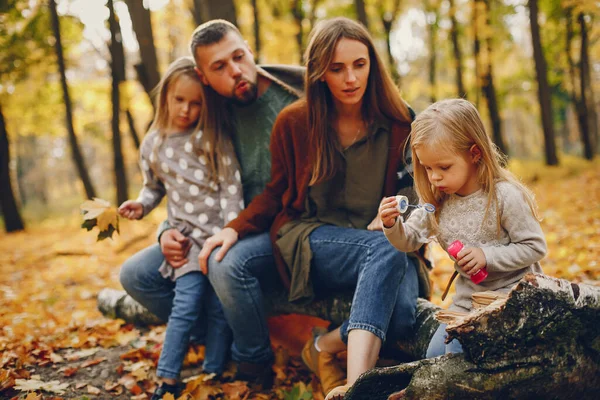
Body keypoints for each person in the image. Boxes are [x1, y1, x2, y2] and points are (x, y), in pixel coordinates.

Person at [198, 17, 424, 399]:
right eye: (337, 69)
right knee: (385, 247)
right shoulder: (295, 122)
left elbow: (418, 189)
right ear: (320, 73)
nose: (350, 78)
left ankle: (323, 346)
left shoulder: (401, 121)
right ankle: (358, 388)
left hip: (382, 242)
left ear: (373, 64)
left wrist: (397, 209)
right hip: (314, 237)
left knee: (401, 316)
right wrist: (234, 228)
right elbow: (277, 190)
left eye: (359, 64)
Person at [118, 19, 304, 388]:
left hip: (273, 227)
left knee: (223, 262)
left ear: (250, 50)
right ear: (204, 77)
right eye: (218, 67)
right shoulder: (210, 109)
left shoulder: (290, 96)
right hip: (213, 228)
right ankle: (216, 336)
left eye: (238, 57)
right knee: (135, 274)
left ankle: (251, 361)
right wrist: (166, 231)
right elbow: (183, 183)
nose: (234, 71)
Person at [379, 98, 547, 357]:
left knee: (488, 357)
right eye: (427, 167)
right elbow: (409, 240)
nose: (434, 177)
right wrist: (392, 224)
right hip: (467, 303)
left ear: (474, 153)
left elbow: (535, 247)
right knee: (436, 357)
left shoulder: (504, 196)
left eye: (444, 167)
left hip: (514, 298)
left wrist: (486, 256)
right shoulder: (437, 202)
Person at [117, 57, 242, 399]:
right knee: (185, 305)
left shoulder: (212, 138)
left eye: (196, 102)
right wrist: (141, 205)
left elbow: (231, 190)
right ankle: (168, 377)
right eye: (179, 100)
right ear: (165, 98)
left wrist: (231, 232)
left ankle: (214, 370)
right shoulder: (153, 144)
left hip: (218, 239)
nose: (186, 109)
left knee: (219, 307)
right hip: (185, 243)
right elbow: (153, 187)